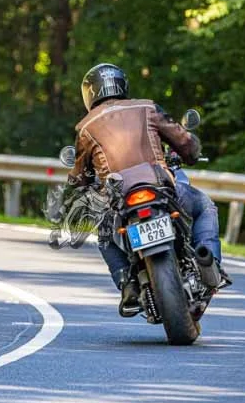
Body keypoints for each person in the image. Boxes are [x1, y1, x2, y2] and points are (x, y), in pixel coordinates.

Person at [65, 63, 228, 313]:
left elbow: (78, 177)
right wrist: (191, 153)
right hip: (159, 186)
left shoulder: (85, 128)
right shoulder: (147, 107)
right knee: (204, 206)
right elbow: (184, 141)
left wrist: (81, 184)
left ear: (89, 94)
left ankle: (127, 284)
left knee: (106, 232)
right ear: (123, 85)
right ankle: (210, 261)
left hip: (121, 199)